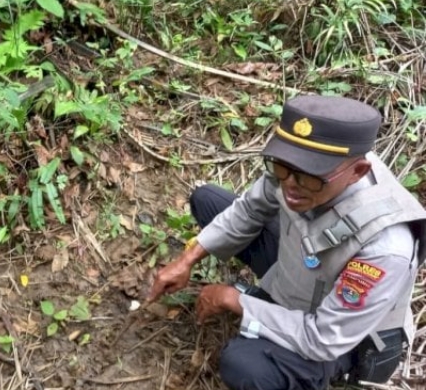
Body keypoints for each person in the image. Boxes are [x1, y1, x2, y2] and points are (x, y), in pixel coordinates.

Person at [145, 95, 426, 390]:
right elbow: (251, 209)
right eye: (282, 167)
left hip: (344, 335)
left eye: (308, 176)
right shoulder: (301, 171)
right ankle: (271, 297)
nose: (289, 185)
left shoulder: (385, 248)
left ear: (357, 172)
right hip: (303, 270)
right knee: (209, 201)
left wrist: (234, 299)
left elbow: (323, 340)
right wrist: (187, 259)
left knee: (246, 367)